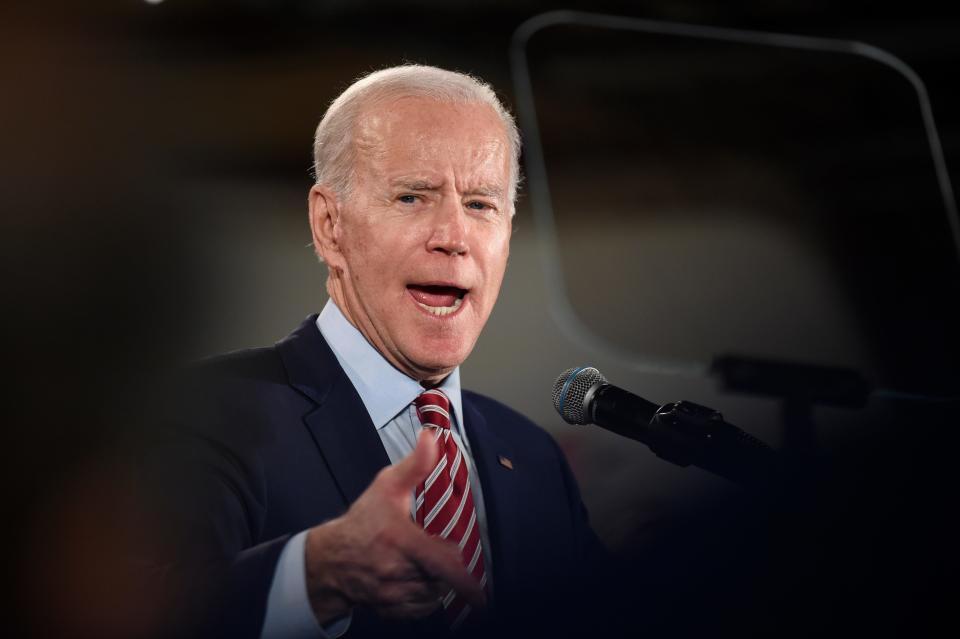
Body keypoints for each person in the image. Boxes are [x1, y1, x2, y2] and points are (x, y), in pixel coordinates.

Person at [145, 65, 606, 639]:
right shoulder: (208, 412)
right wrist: (313, 577)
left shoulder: (532, 456)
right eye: (412, 196)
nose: (454, 237)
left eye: (481, 205)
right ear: (329, 225)